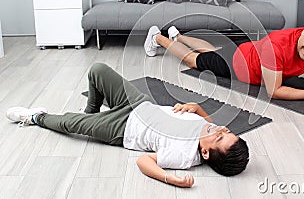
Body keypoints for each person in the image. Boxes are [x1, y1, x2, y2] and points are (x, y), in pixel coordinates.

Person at [5, 63, 249, 188]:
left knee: (68, 123)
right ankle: (91, 112)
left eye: (220, 136)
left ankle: (36, 117)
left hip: (122, 127)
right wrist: (196, 107)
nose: (220, 129)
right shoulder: (214, 132)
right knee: (97, 70)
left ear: (204, 153)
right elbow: (209, 123)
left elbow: (144, 161)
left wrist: (169, 179)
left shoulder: (184, 155)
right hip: (139, 104)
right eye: (226, 131)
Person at [144, 17, 304, 105]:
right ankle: (157, 37)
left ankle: (178, 36)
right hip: (237, 64)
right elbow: (274, 91)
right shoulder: (277, 45)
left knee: (211, 51)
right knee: (194, 60)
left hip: (248, 49)